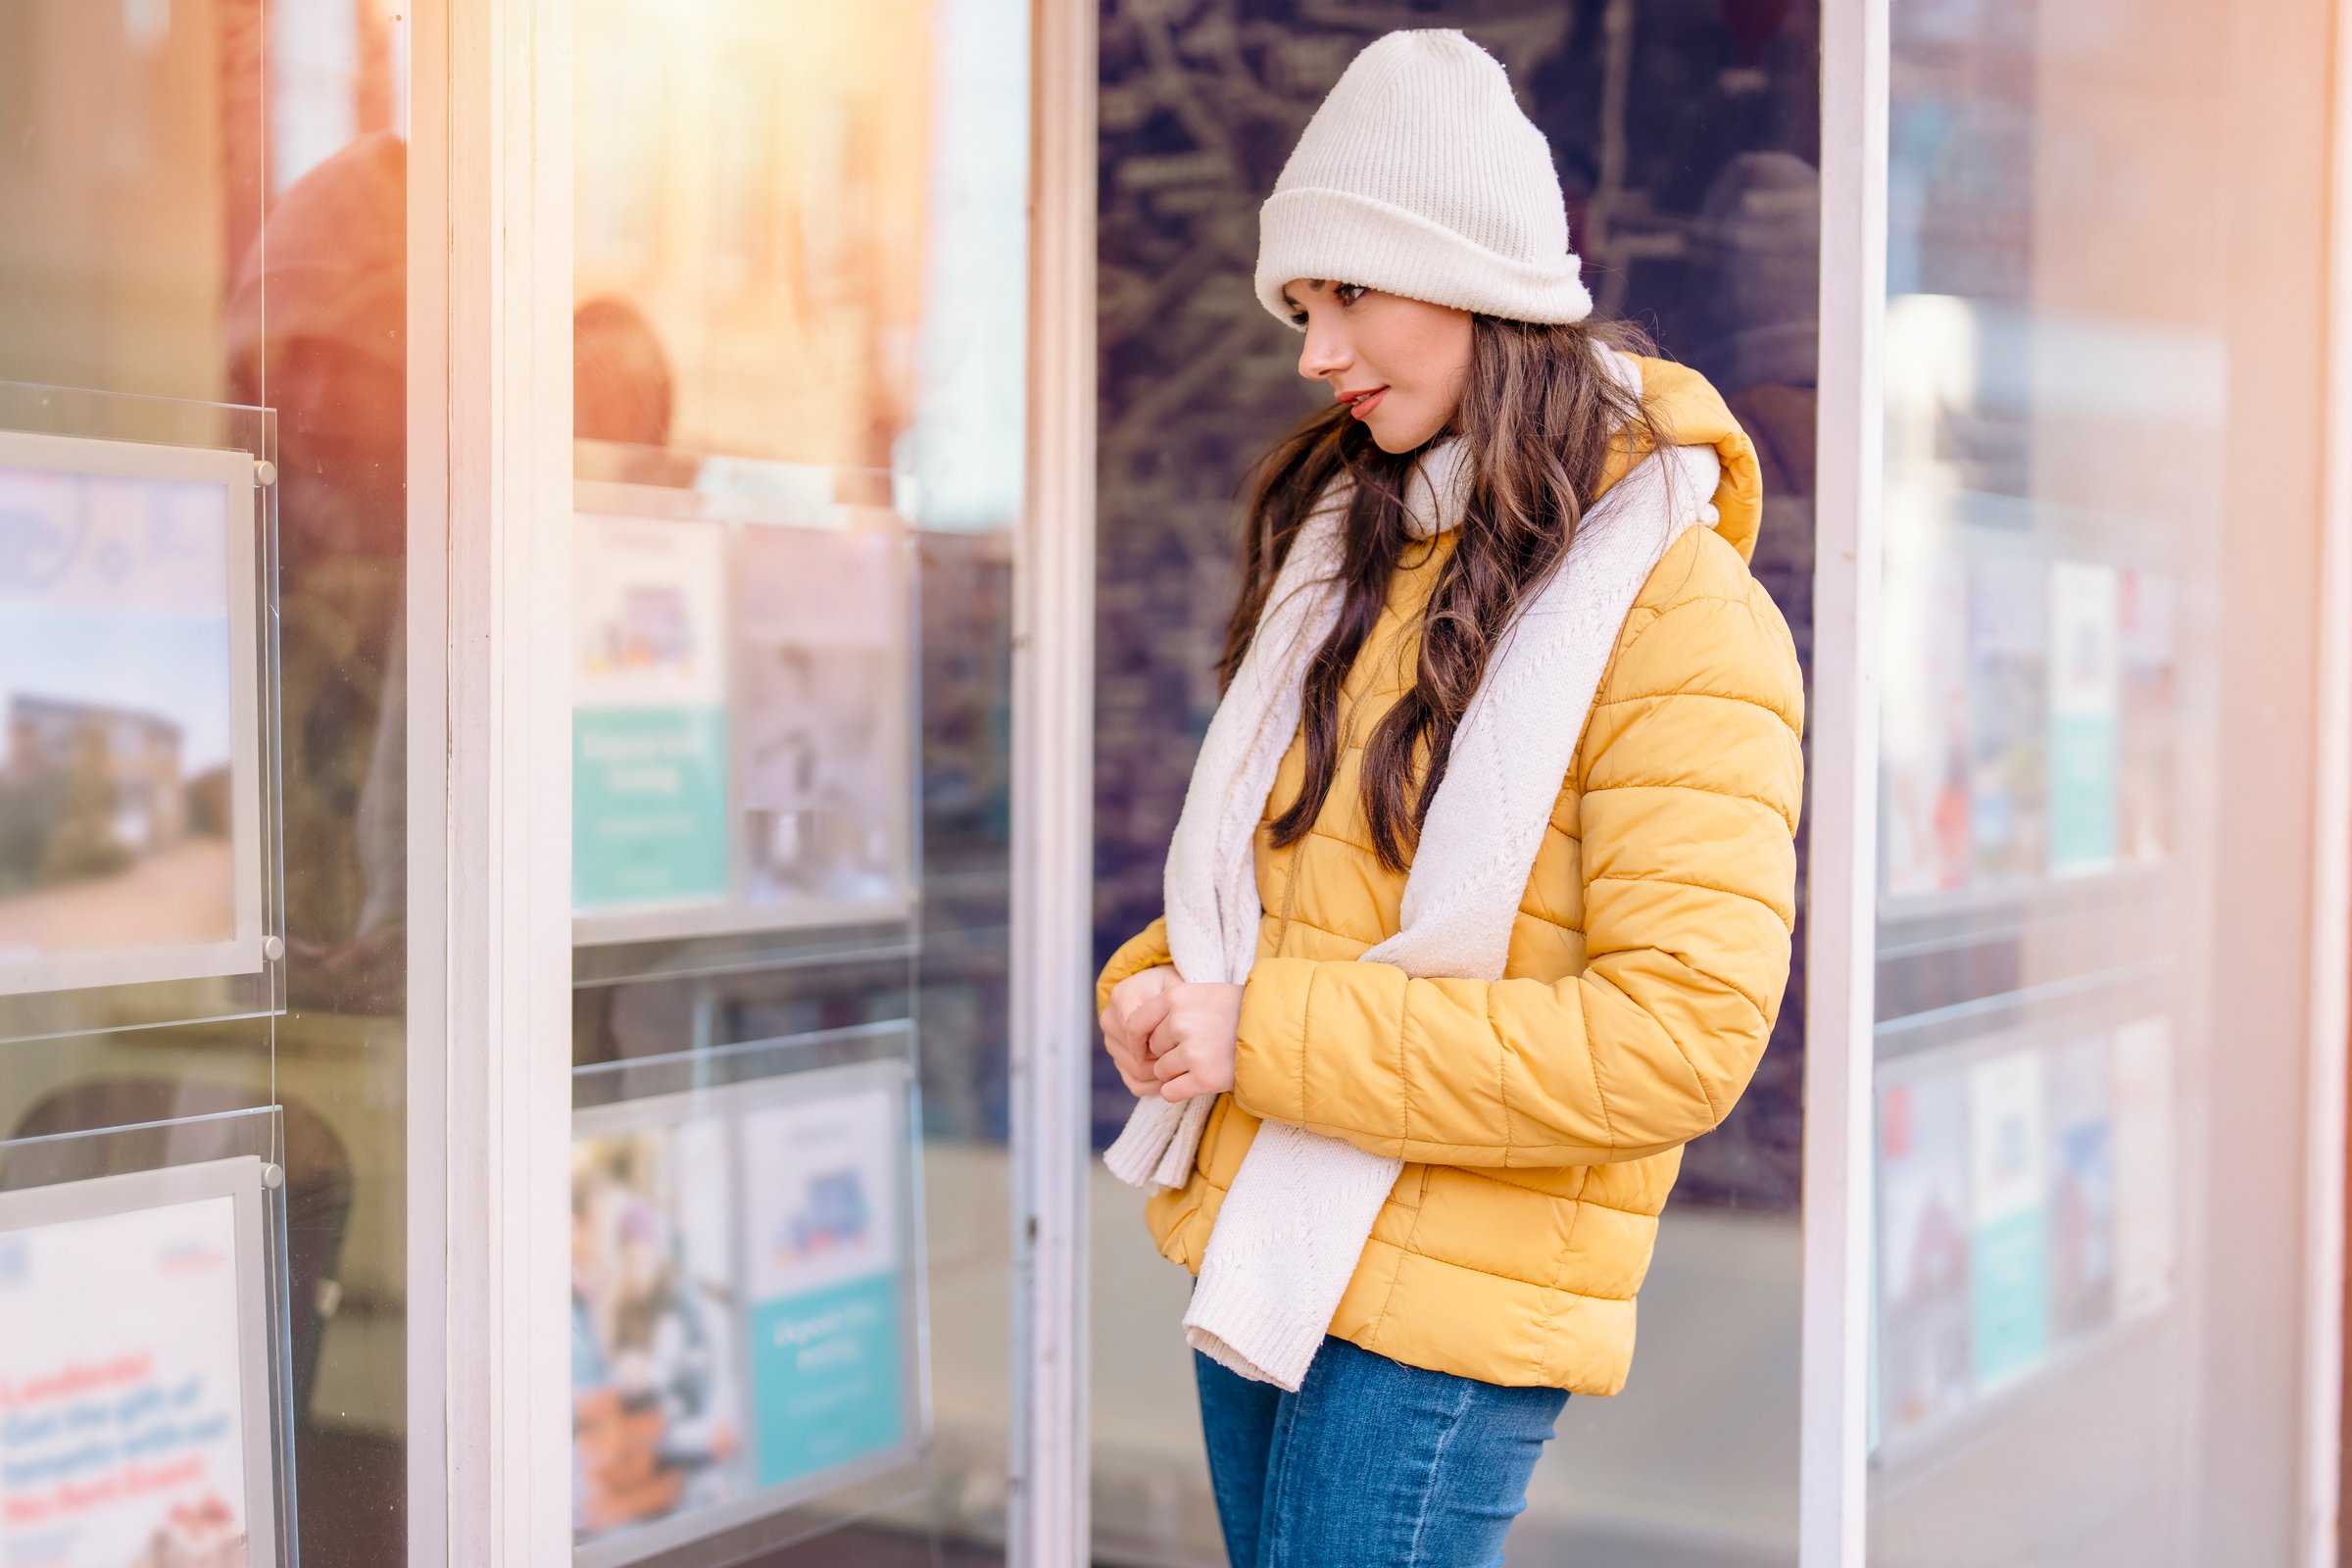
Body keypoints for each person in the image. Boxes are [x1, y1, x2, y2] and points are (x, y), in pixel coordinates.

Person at [1095, 31, 1803, 1568]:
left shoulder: (1680, 614)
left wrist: (1255, 1034)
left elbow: (1678, 1040)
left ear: (1475, 278)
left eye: (1348, 292)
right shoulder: (1361, 551)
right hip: (1271, 1238)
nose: (1311, 350)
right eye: (1302, 304)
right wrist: (1164, 983)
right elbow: (1301, 886)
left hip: (1450, 1309)